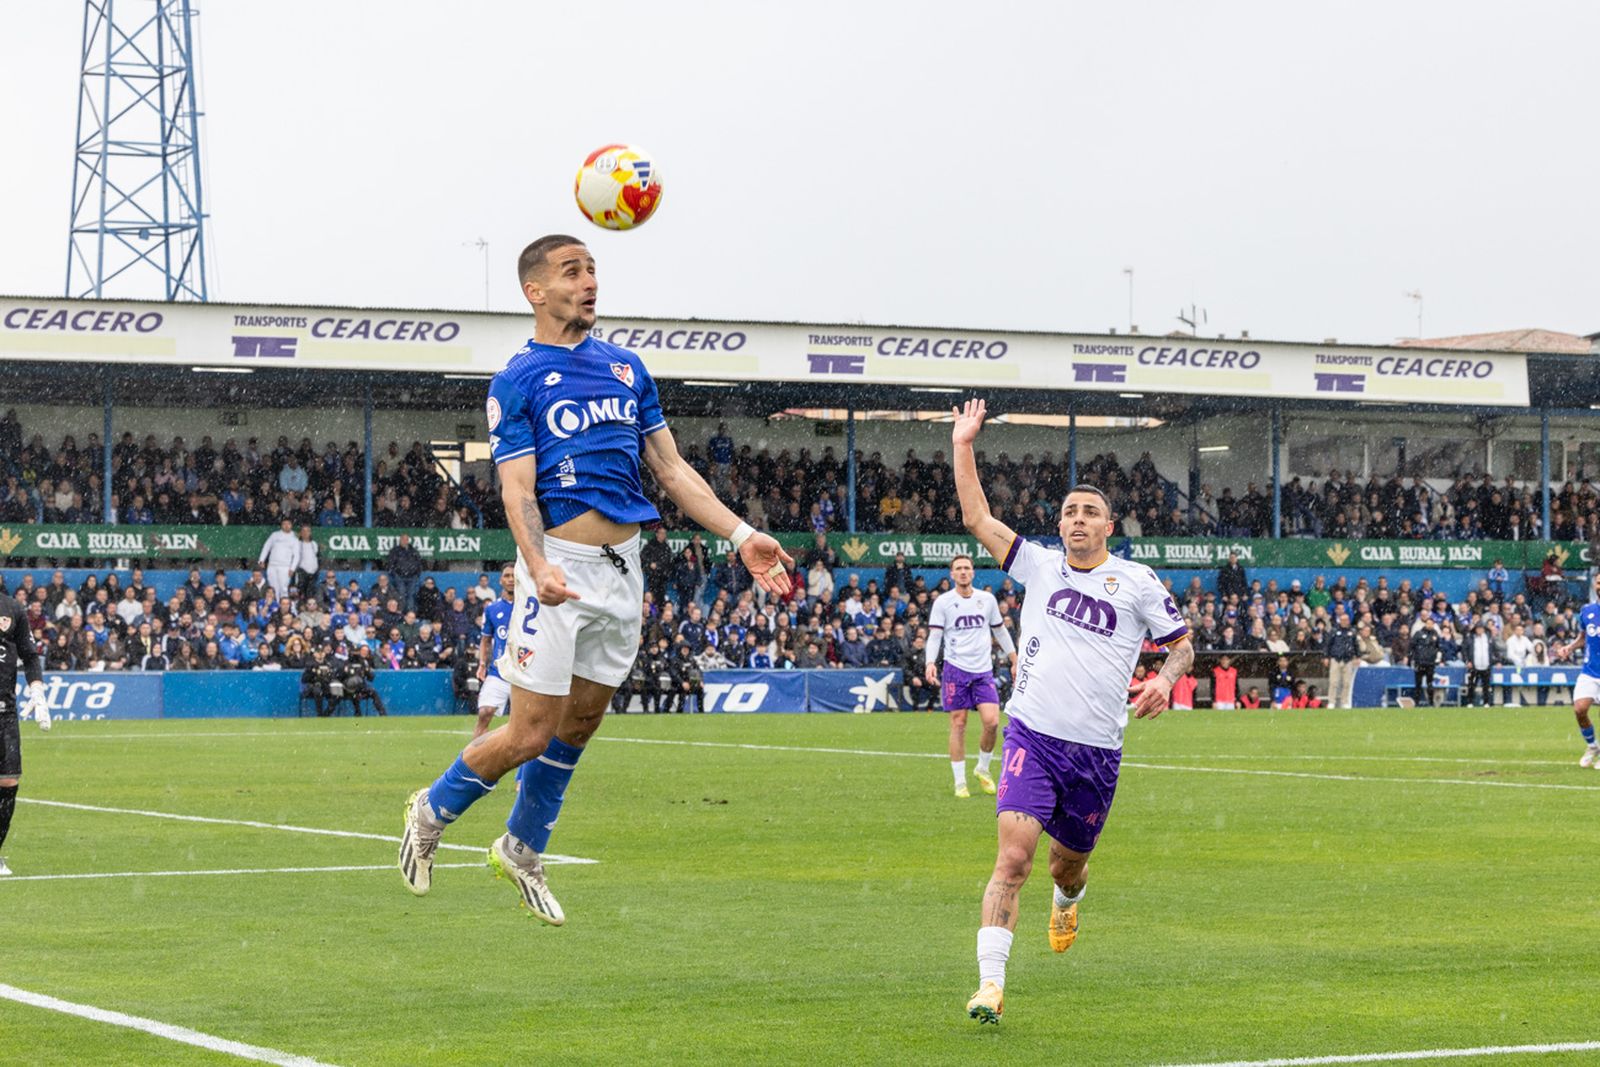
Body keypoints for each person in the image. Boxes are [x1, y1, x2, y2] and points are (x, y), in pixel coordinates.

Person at [397, 234, 792, 924]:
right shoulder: (517, 379)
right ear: (535, 291)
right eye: (571, 272)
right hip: (556, 566)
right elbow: (517, 488)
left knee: (579, 725)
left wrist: (740, 533)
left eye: (592, 270)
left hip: (622, 571)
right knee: (528, 732)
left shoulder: (626, 369)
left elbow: (671, 470)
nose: (588, 283)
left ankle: (521, 847)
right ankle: (431, 808)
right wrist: (538, 563)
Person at [949, 399, 1193, 1026]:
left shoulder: (1137, 582)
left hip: (1096, 754)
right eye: (1069, 512)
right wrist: (963, 444)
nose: (1078, 520)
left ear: (1109, 525)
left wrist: (1165, 680)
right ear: (1059, 525)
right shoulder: (1037, 564)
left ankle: (1069, 896)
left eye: (1090, 512)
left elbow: (1182, 646)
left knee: (1067, 863)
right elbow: (976, 515)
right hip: (1032, 735)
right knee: (1013, 859)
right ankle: (990, 985)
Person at [927, 555, 1016, 798]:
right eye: (959, 569)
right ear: (952, 574)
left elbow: (1000, 630)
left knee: (992, 722)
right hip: (955, 669)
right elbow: (935, 636)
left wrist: (1014, 658)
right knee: (958, 724)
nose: (964, 572)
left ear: (973, 573)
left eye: (967, 568)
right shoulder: (943, 603)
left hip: (982, 670)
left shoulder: (986, 600)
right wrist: (929, 662)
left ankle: (982, 768)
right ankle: (959, 782)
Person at [0, 588, 47, 876]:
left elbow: (30, 656)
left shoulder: (12, 609)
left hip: (4, 712)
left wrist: (38, 692)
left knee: (8, 782)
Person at [1552, 573, 1600, 768]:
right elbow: (1583, 638)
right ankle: (1593, 746)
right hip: (1590, 671)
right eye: (1598, 582)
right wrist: (1569, 648)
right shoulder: (1587, 611)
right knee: (1580, 709)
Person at [472, 565, 515, 739]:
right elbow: (485, 639)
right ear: (500, 580)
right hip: (499, 671)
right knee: (485, 712)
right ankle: (473, 762)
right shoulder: (491, 609)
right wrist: (482, 663)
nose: (511, 579)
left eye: (514, 576)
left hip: (526, 673)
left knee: (529, 722)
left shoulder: (531, 606)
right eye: (507, 576)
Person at [258, 518, 300, 600]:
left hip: (285, 567)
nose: (286, 526)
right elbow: (267, 547)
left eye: (288, 524)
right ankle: (275, 606)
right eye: (284, 524)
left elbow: (297, 555)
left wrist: (292, 568)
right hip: (272, 566)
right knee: (273, 589)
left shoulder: (294, 538)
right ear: (281, 525)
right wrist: (261, 560)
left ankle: (285, 607)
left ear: (291, 525)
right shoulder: (275, 535)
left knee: (283, 589)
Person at [1323, 611, 1357, 709]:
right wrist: (1326, 657)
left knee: (1347, 682)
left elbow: (1355, 645)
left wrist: (1357, 656)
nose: (1344, 622)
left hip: (1348, 659)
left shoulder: (1352, 632)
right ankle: (1331, 701)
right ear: (1339, 620)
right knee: (1334, 682)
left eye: (1346, 620)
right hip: (1336, 659)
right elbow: (1328, 645)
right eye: (1342, 620)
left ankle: (1344, 701)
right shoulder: (1334, 631)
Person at [387, 533, 424, 612]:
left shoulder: (413, 551)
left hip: (412, 577)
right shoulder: (395, 551)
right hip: (399, 577)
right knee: (401, 595)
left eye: (406, 539)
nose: (404, 541)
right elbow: (390, 563)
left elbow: (419, 563)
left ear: (408, 540)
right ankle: (402, 614)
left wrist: (417, 573)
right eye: (402, 539)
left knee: (411, 595)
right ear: (400, 540)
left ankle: (410, 614)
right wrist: (395, 574)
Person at [1410, 617, 1442, 705]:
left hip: (1430, 663)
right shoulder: (1418, 634)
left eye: (1431, 623)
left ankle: (1431, 702)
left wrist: (1438, 659)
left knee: (1430, 684)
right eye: (1428, 623)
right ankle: (1417, 702)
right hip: (1419, 662)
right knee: (1418, 684)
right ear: (1425, 624)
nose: (1429, 625)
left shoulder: (1435, 635)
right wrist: (1412, 658)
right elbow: (1412, 646)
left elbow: (1439, 648)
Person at [301, 648, 338, 717]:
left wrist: (329, 674)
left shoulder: (328, 664)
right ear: (314, 654)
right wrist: (313, 672)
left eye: (322, 652)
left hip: (325, 685)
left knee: (336, 693)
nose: (320, 654)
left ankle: (327, 713)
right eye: (318, 652)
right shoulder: (310, 664)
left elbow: (333, 677)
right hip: (313, 686)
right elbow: (304, 679)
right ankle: (319, 713)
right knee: (318, 691)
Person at [295, 525, 320, 601]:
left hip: (313, 574)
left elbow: (317, 556)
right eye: (304, 531)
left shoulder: (314, 544)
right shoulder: (297, 544)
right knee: (301, 593)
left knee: (311, 594)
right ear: (301, 533)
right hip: (302, 573)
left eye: (308, 531)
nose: (306, 533)